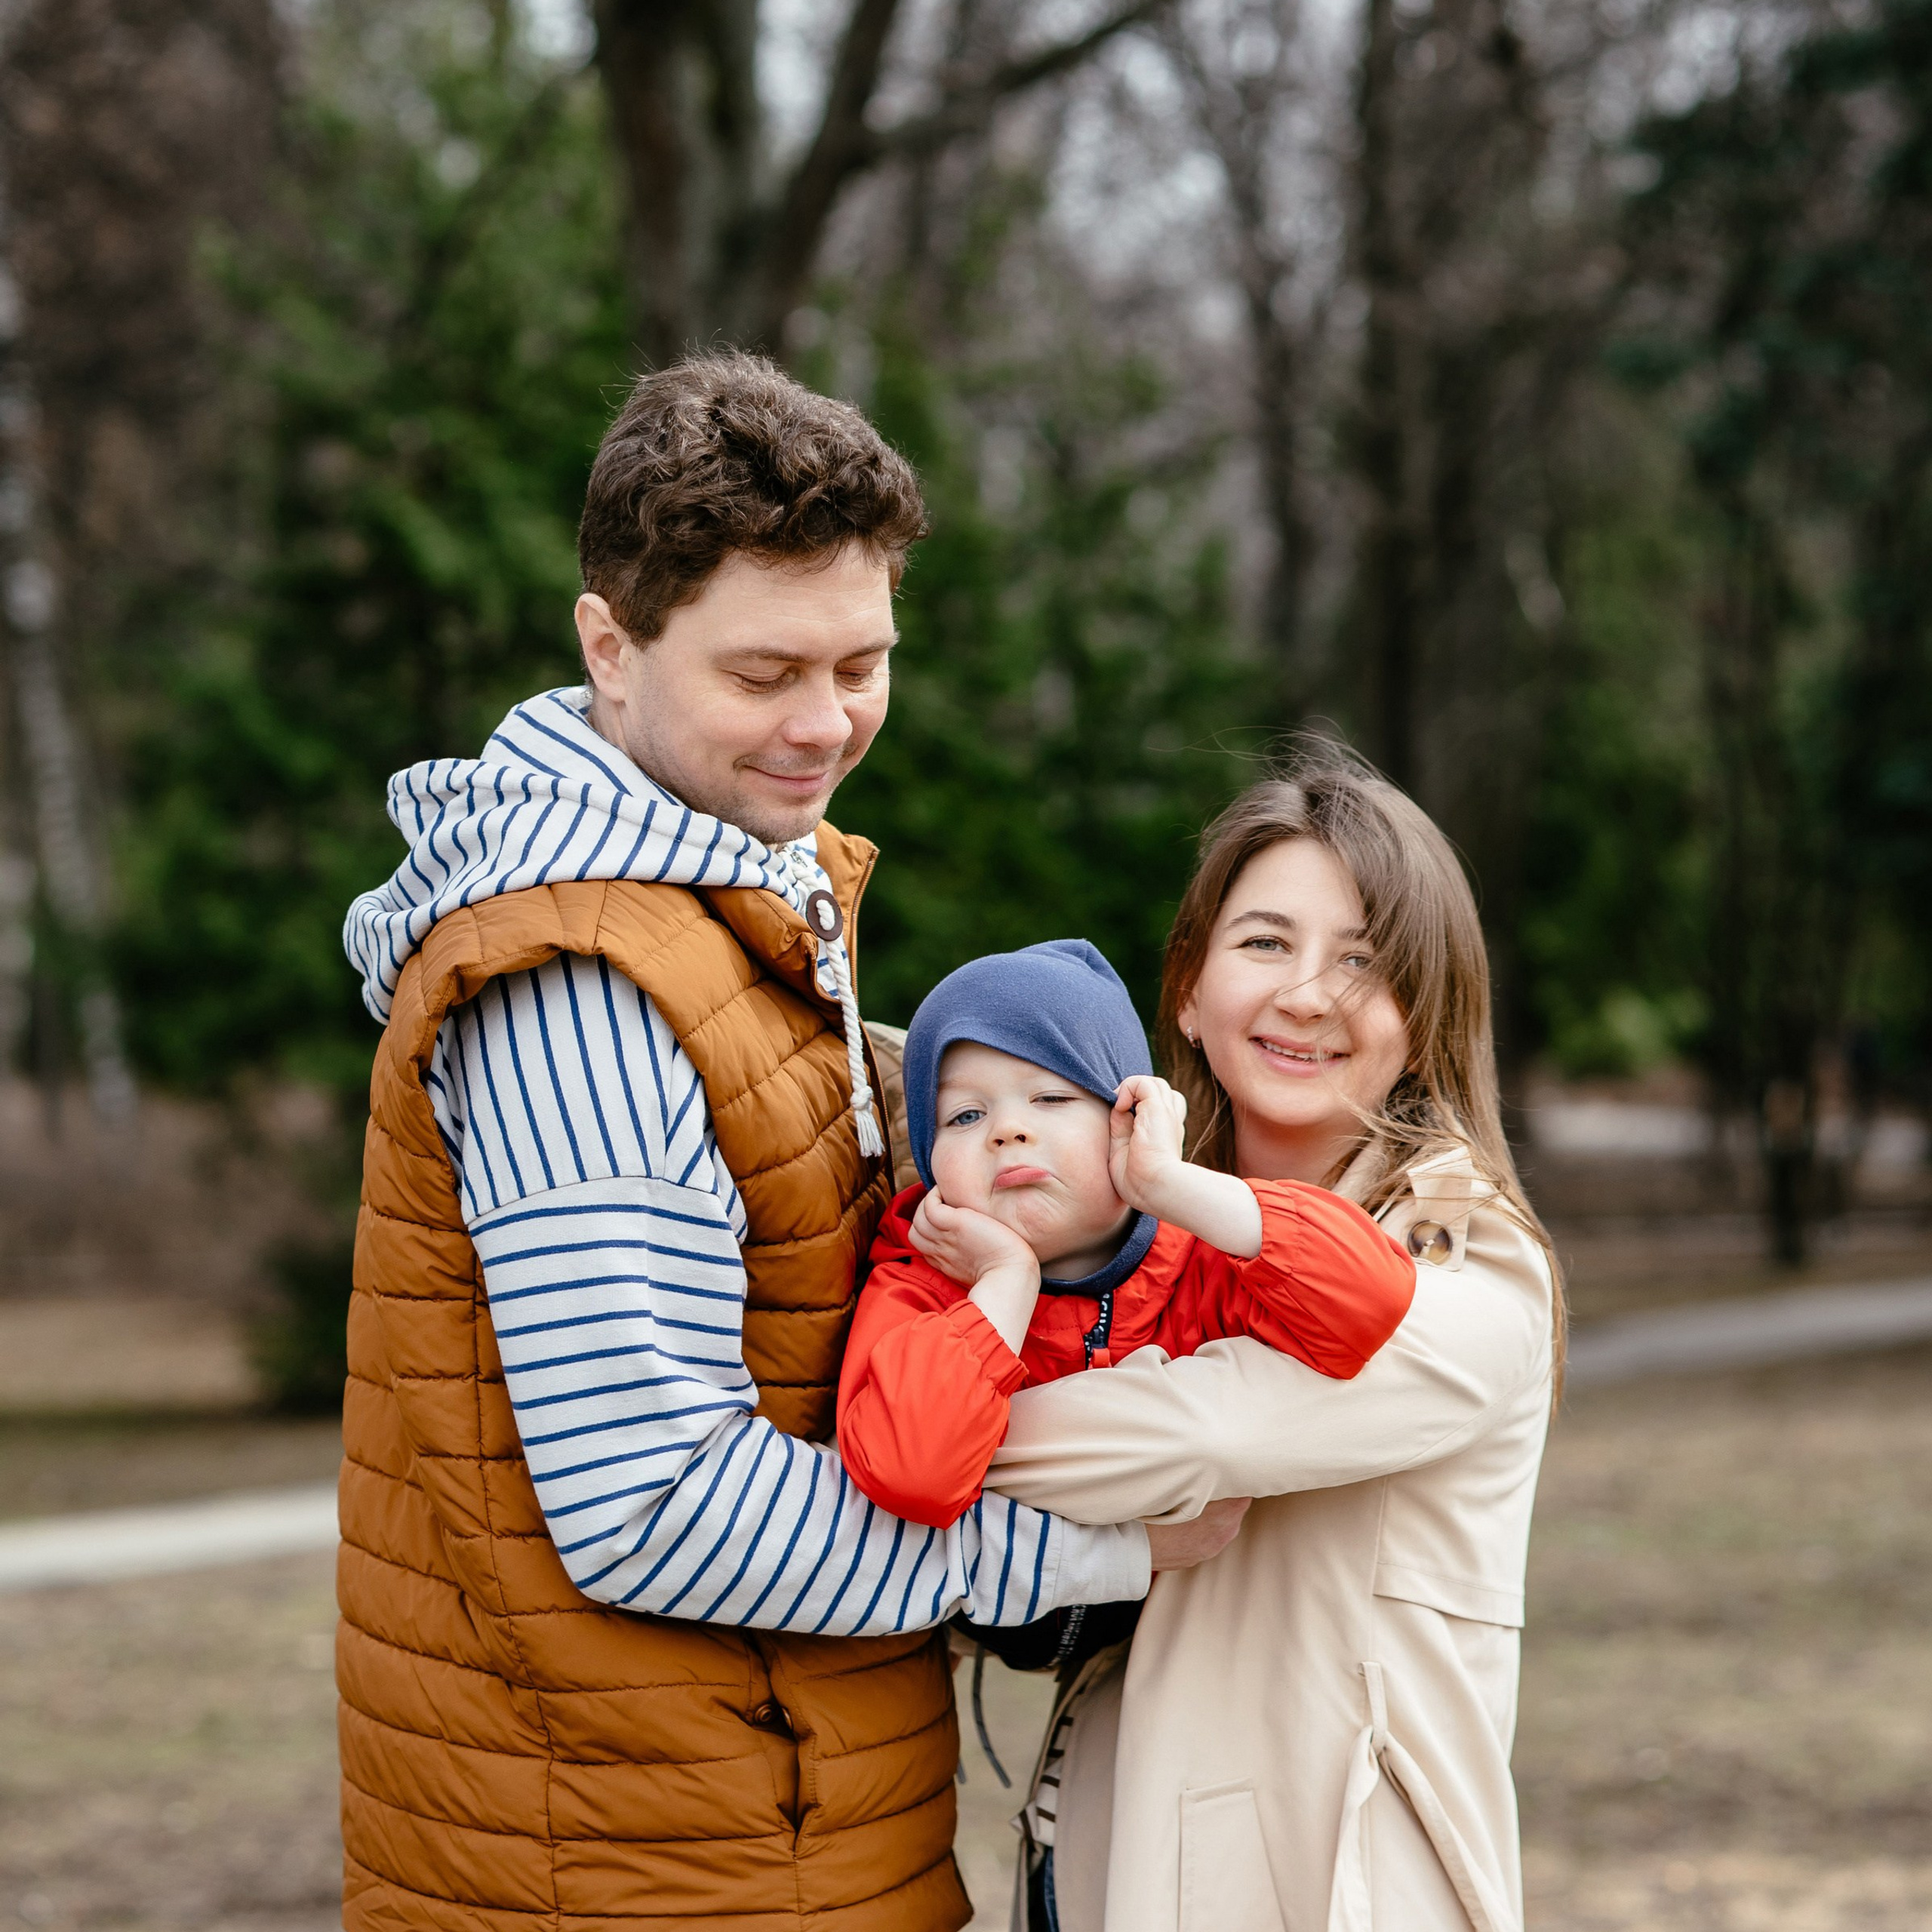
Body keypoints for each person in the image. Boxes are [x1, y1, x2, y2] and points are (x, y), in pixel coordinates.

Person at [332, 352, 1241, 1932]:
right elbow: (655, 1503)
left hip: (760, 1819)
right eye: (762, 673)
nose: (824, 723)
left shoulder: (726, 899)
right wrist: (1091, 1546)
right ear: (610, 647)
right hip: (647, 1865)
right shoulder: (582, 993)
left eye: (862, 661)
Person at [985, 755, 1562, 1932]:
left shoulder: (1472, 1266)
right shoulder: (1117, 1255)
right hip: (1094, 1855)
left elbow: (1208, 1424)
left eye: (1364, 959)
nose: (1309, 994)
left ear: (1424, 1018)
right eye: (1263, 943)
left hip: (1330, 1886)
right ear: (1188, 991)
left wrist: (908, 1428)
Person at [835, 937, 1417, 1534]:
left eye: (1052, 1097)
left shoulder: (1205, 1263)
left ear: (1129, 1119)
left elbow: (1368, 1304)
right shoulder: (917, 1292)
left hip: (1175, 1619)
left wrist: (1167, 1181)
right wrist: (1006, 1281)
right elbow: (911, 1478)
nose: (1007, 1129)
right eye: (965, 1115)